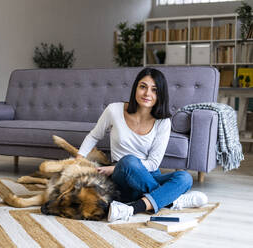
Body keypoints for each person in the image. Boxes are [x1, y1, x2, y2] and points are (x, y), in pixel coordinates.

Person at [76, 68, 208, 222]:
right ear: (135, 88)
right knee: (129, 161)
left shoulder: (163, 122)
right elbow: (94, 135)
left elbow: (153, 163)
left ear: (160, 95)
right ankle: (171, 200)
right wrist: (79, 159)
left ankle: (133, 208)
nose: (147, 94)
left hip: (149, 175)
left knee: (185, 178)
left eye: (154, 90)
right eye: (143, 87)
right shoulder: (114, 110)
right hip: (122, 177)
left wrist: (112, 168)